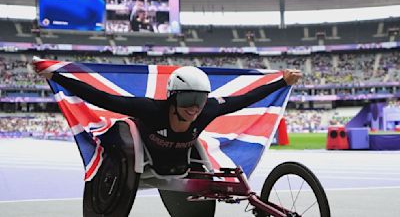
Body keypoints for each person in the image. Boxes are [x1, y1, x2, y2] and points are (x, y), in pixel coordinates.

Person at [37, 65, 301, 217]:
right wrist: (57, 77)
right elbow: (103, 99)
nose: (194, 108)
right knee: (125, 137)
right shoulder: (150, 110)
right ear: (172, 98)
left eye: (199, 100)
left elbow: (244, 100)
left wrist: (281, 81)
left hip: (180, 171)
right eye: (187, 100)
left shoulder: (206, 110)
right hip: (141, 164)